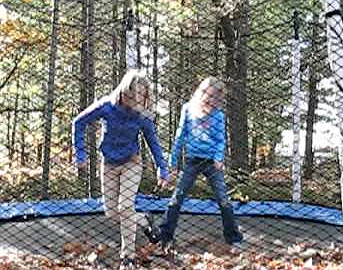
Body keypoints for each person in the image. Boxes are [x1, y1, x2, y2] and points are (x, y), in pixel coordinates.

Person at [72, 69, 168, 270]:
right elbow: (78, 123)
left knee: (124, 207)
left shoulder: (142, 115)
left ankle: (128, 257)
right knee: (111, 212)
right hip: (108, 164)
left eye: (140, 98)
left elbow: (153, 142)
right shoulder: (107, 106)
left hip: (131, 163)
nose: (135, 102)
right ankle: (144, 220)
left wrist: (162, 167)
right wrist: (80, 154)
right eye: (132, 96)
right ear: (124, 91)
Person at [146, 76, 243, 254]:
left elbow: (221, 139)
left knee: (223, 199)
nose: (213, 101)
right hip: (192, 161)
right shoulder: (188, 109)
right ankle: (165, 236)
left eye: (217, 98)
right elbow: (180, 136)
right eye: (211, 96)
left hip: (212, 163)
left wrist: (219, 157)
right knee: (177, 197)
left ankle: (234, 237)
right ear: (203, 93)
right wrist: (173, 163)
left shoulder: (219, 116)